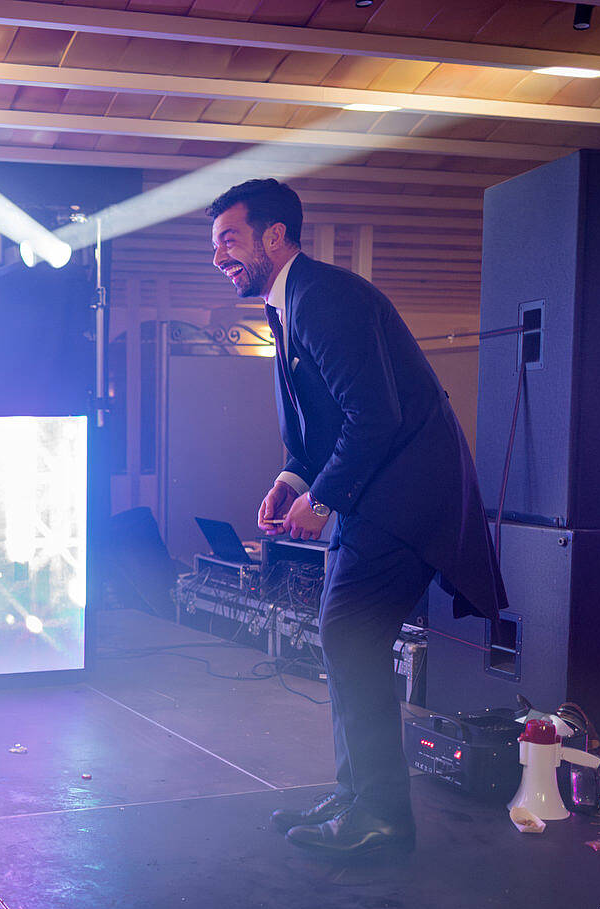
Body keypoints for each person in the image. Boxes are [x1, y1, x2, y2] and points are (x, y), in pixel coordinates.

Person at [207, 178, 506, 858]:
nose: (218, 256)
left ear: (274, 236)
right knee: (346, 641)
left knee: (349, 638)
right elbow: (325, 420)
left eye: (229, 240)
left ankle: (383, 817)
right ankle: (358, 799)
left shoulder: (325, 297)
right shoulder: (294, 304)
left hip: (403, 503)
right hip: (375, 499)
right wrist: (291, 481)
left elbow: (376, 416)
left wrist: (322, 501)